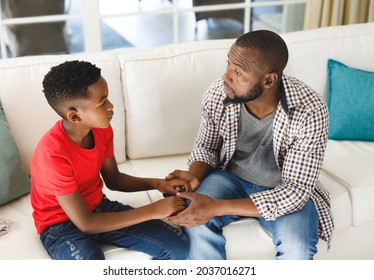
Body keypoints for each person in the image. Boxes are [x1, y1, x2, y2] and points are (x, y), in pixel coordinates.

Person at [166, 30, 334, 260]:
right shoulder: (219, 93)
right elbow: (207, 148)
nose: (226, 77)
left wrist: (217, 207)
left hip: (282, 187)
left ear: (268, 80)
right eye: (228, 65)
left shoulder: (310, 111)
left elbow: (295, 191)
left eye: (238, 72)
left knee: (298, 249)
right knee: (195, 221)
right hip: (229, 178)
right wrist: (195, 176)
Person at [30, 60, 189, 260]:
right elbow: (86, 223)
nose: (111, 106)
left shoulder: (101, 130)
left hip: (99, 208)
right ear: (75, 116)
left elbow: (113, 179)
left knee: (179, 248)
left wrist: (159, 184)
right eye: (102, 102)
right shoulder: (52, 156)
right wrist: (153, 210)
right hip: (60, 226)